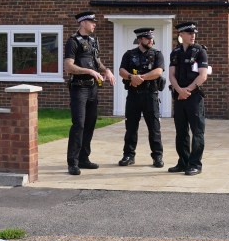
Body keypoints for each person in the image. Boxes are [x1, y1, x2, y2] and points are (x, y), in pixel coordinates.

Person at [64, 11, 115, 175]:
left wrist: (107, 70)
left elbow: (96, 61)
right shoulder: (72, 42)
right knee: (78, 124)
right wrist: (90, 71)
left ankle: (84, 158)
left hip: (93, 89)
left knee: (90, 124)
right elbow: (68, 66)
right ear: (83, 22)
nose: (94, 24)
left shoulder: (93, 41)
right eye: (92, 22)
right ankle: (73, 162)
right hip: (79, 88)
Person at [117, 27, 165, 168]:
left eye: (152, 38)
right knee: (131, 128)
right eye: (147, 38)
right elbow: (121, 71)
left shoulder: (157, 54)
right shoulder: (129, 54)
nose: (151, 40)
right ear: (140, 39)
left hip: (150, 95)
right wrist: (132, 77)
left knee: (154, 128)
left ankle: (157, 157)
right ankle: (128, 155)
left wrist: (140, 78)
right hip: (133, 96)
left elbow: (158, 71)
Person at [168, 21, 208, 176]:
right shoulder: (176, 52)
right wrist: (179, 90)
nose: (193, 36)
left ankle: (195, 164)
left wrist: (187, 90)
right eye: (189, 33)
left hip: (193, 97)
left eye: (194, 33)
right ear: (181, 35)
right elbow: (171, 74)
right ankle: (183, 162)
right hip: (179, 96)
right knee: (181, 131)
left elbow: (202, 75)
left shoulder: (199, 51)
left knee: (197, 131)